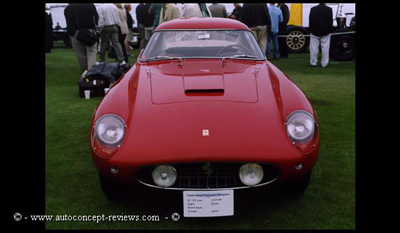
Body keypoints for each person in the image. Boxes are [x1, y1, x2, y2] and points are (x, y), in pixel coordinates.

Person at [67, 3, 99, 73]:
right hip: (90, 31)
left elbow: (69, 21)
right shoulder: (90, 5)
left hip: (76, 32)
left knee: (80, 55)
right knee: (91, 53)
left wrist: (71, 33)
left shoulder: (70, 7)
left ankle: (84, 72)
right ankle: (91, 72)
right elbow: (96, 18)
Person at [309, 3, 333, 68]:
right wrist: (329, 30)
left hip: (314, 31)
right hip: (326, 31)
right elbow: (330, 21)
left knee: (313, 48)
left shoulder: (313, 9)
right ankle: (324, 63)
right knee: (325, 48)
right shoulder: (329, 9)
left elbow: (310, 21)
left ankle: (313, 63)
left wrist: (311, 30)